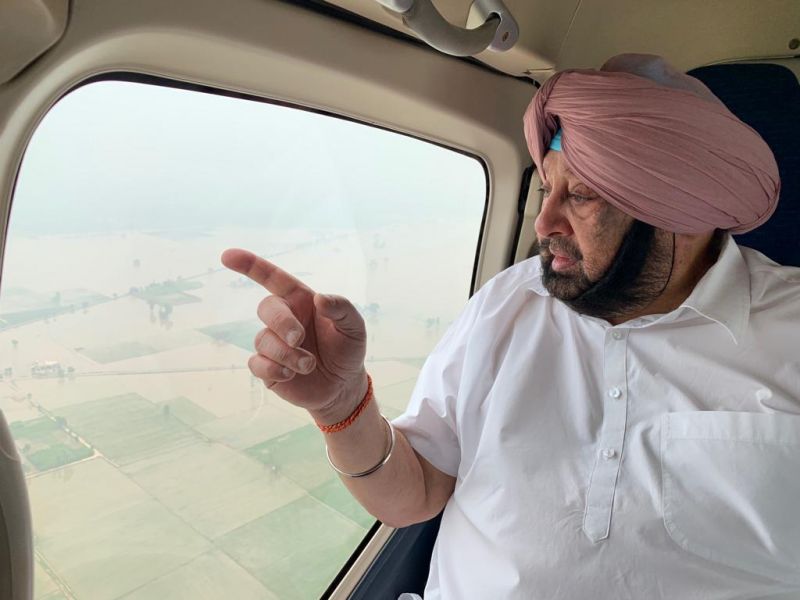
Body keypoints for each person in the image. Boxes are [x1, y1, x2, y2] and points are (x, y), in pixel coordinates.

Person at [221, 54, 800, 599]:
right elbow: (416, 493)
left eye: (584, 195)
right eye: (547, 188)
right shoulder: (510, 300)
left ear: (687, 212)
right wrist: (340, 405)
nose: (544, 221)